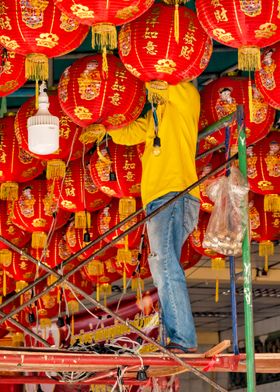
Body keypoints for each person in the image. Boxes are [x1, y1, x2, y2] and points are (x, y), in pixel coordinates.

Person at [108, 81, 200, 354]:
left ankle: (182, 339)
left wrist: (149, 76)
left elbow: (159, 81)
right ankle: (177, 337)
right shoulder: (156, 114)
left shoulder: (186, 95)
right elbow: (128, 133)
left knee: (165, 266)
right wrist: (104, 126)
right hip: (161, 200)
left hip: (172, 194)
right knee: (163, 268)